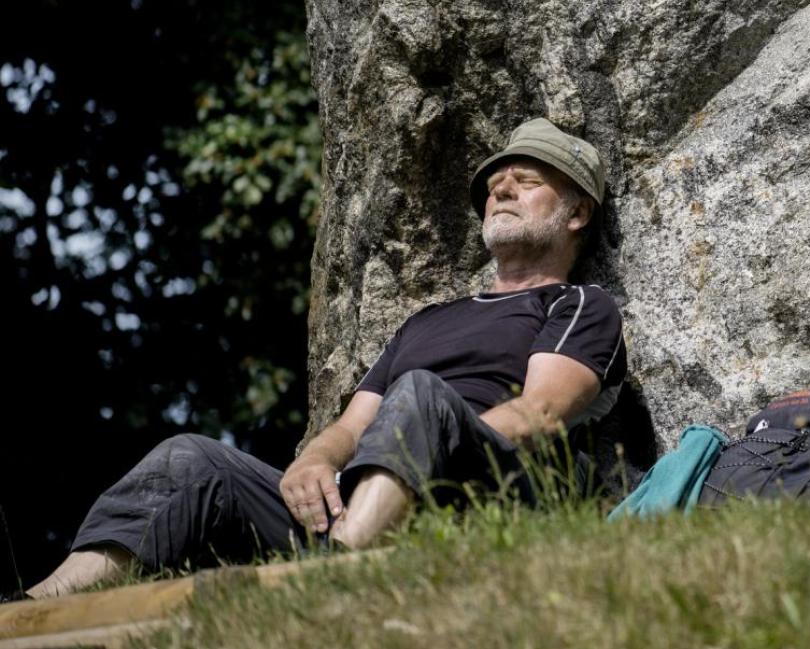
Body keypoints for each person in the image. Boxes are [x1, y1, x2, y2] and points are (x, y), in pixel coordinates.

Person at [21, 118, 628, 600]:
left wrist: (431, 432)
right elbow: (352, 426)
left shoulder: (578, 304)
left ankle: (336, 578)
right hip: (366, 485)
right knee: (190, 458)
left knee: (418, 395)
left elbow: (540, 414)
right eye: (497, 183)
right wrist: (313, 460)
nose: (500, 189)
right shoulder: (426, 321)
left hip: (485, 494)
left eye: (526, 180)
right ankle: (38, 603)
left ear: (576, 214)